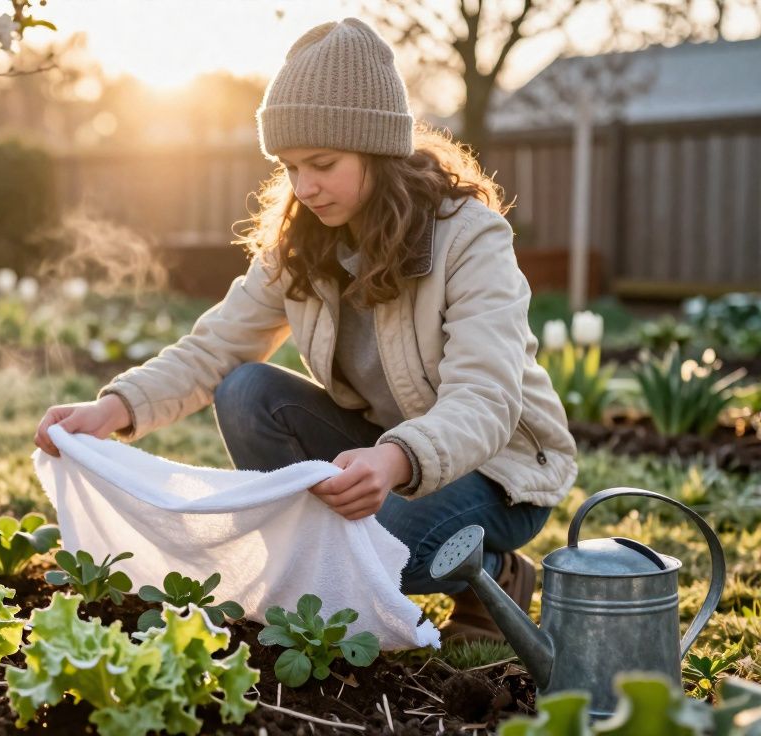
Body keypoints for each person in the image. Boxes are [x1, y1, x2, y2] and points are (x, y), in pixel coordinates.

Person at [33, 17, 577, 643]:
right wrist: (114, 408)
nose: (304, 187)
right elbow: (217, 347)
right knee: (245, 390)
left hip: (499, 471)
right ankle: (347, 557)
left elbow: (486, 398)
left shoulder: (469, 237)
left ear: (377, 148)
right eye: (289, 166)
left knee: (379, 555)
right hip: (380, 449)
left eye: (322, 163)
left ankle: (495, 573)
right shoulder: (301, 241)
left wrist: (396, 459)